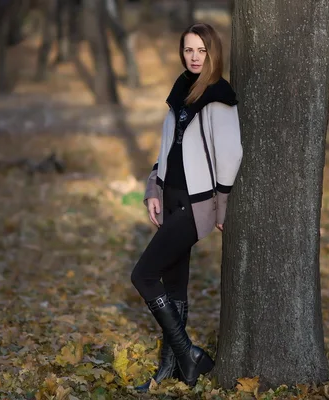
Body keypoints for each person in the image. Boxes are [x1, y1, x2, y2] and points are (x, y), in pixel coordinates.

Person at [131, 23, 243, 391]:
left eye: (201, 51)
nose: (194, 57)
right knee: (174, 285)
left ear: (213, 54)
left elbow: (230, 155)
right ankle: (172, 368)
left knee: (144, 275)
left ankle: (187, 352)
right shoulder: (181, 91)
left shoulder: (218, 97)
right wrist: (153, 188)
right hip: (171, 196)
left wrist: (222, 207)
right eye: (188, 50)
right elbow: (167, 149)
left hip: (196, 205)